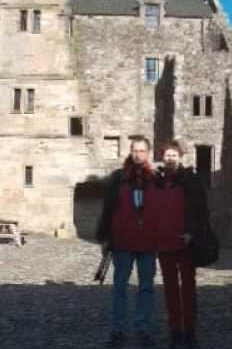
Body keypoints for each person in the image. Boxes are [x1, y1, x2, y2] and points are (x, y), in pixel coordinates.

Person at [147, 140, 209, 349]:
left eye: (174, 154)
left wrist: (192, 232)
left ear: (180, 157)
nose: (170, 158)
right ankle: (175, 330)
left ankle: (190, 331)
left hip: (185, 243)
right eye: (167, 154)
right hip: (164, 243)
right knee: (170, 289)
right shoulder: (156, 181)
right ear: (162, 157)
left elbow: (201, 210)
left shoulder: (190, 179)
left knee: (188, 289)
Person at [96, 136, 157, 348]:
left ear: (147, 153)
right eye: (135, 150)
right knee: (120, 287)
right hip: (122, 241)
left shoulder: (155, 179)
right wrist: (105, 237)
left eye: (142, 151)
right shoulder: (118, 178)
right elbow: (108, 209)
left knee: (146, 287)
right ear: (130, 152)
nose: (138, 154)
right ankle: (118, 328)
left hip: (148, 242)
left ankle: (143, 327)